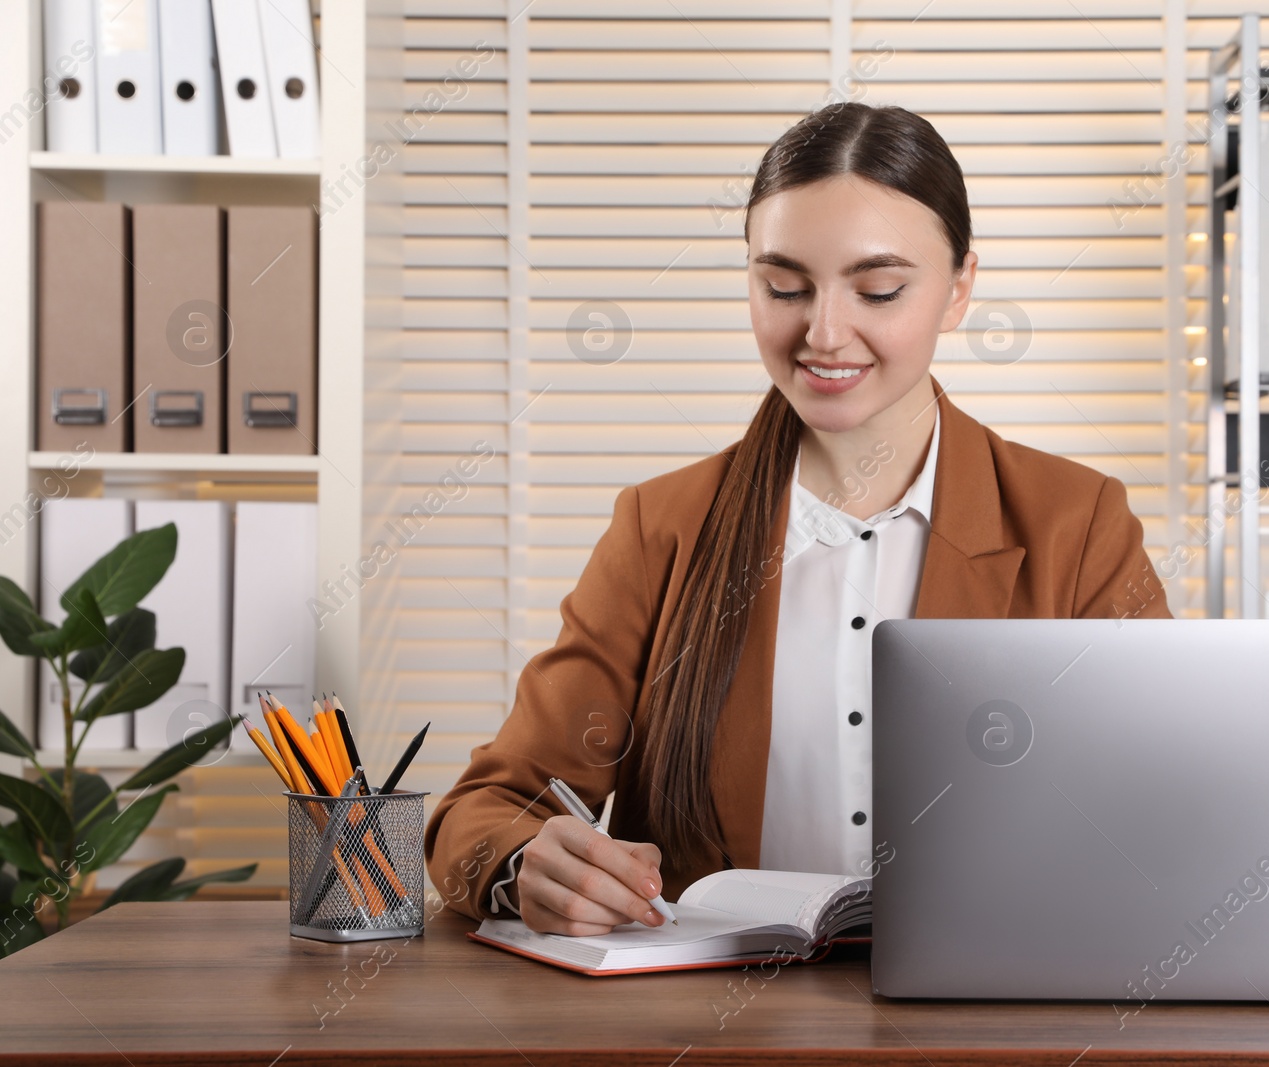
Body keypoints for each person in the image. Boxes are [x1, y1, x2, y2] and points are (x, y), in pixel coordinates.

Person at [424, 101, 1172, 936]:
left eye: (878, 288)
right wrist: (527, 863)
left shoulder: (1078, 524)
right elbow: (483, 810)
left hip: (988, 1019)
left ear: (960, 289)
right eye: (784, 286)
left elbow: (1167, 810)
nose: (823, 333)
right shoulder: (661, 527)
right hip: (714, 1034)